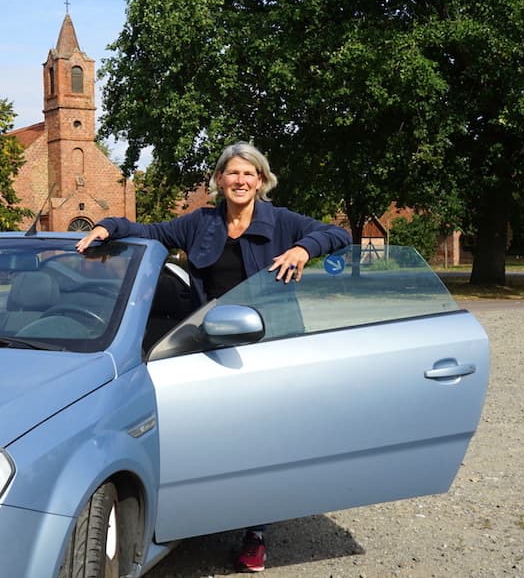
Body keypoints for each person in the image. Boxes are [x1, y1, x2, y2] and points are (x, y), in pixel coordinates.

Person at [75, 141, 352, 572]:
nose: (240, 181)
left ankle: (255, 531)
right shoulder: (200, 223)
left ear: (261, 181)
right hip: (210, 345)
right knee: (217, 432)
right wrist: (108, 227)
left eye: (249, 174)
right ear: (219, 180)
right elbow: (149, 232)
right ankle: (205, 506)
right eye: (233, 173)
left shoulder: (280, 221)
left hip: (266, 345)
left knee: (260, 439)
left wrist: (304, 248)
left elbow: (339, 234)